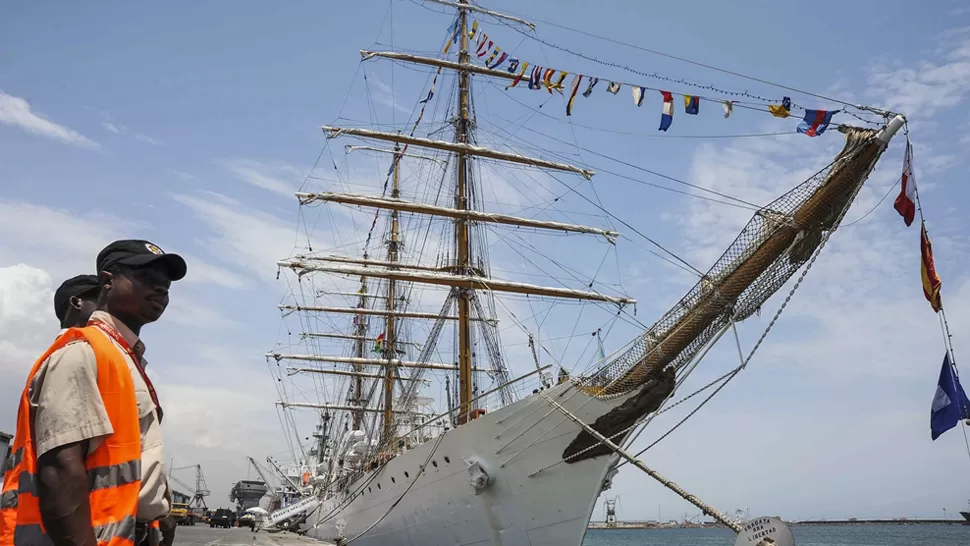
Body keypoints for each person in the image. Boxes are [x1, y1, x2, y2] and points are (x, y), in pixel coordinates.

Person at [0, 239, 187, 546]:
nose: (161, 290)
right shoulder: (82, 351)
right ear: (107, 281)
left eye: (165, 285)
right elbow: (60, 468)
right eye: (147, 279)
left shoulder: (124, 358)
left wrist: (156, 518)